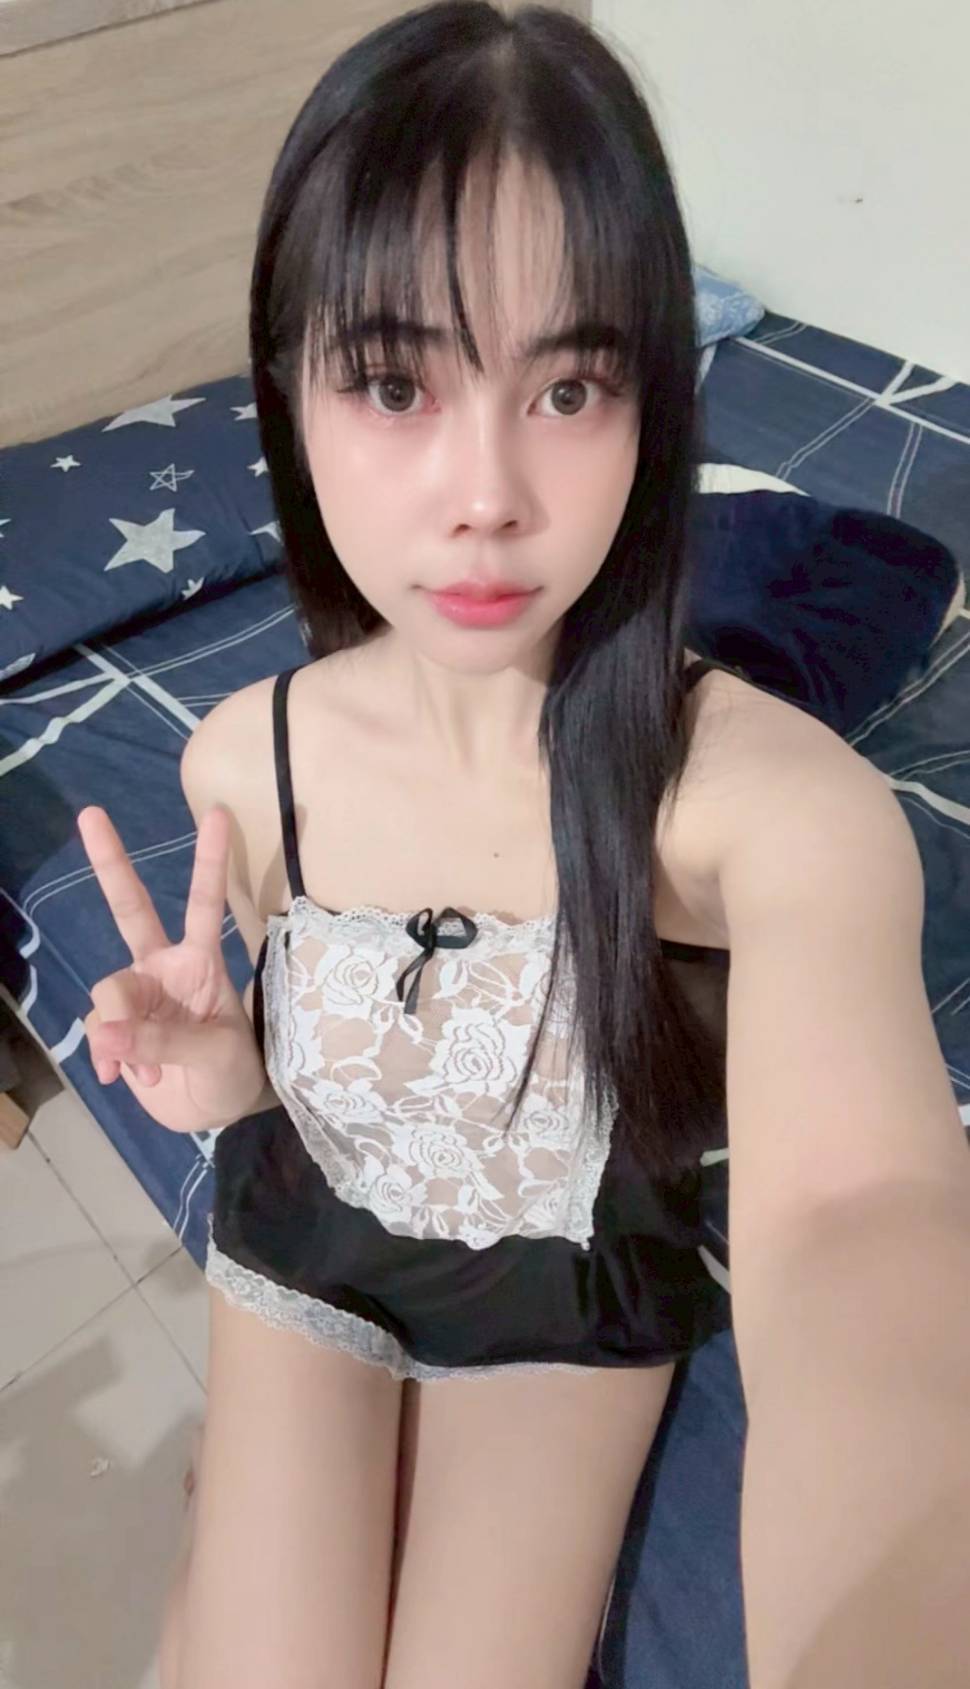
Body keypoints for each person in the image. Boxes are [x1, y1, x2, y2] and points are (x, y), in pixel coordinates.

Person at [77, 5, 970, 1688]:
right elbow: (326, 1038)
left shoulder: (766, 809)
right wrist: (233, 1072)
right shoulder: (242, 764)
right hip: (306, 1225)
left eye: (566, 387)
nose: (484, 492)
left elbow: (862, 1221)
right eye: (395, 382)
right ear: (287, 396)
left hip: (560, 1301)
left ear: (652, 409)